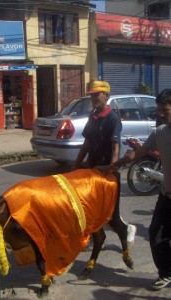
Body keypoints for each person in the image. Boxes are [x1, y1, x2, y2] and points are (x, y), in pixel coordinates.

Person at [97, 88, 171, 290]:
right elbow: (137, 154)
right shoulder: (160, 132)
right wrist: (112, 165)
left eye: (165, 109)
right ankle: (166, 273)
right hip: (166, 195)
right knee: (156, 233)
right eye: (159, 110)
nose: (161, 114)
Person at [72, 80, 136, 246]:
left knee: (110, 212)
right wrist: (77, 163)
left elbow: (116, 146)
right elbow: (86, 143)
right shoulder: (93, 116)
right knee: (94, 207)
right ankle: (96, 237)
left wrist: (111, 168)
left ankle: (126, 229)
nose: (93, 98)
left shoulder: (113, 118)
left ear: (106, 96)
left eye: (96, 95)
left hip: (106, 170)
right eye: (92, 95)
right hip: (93, 169)